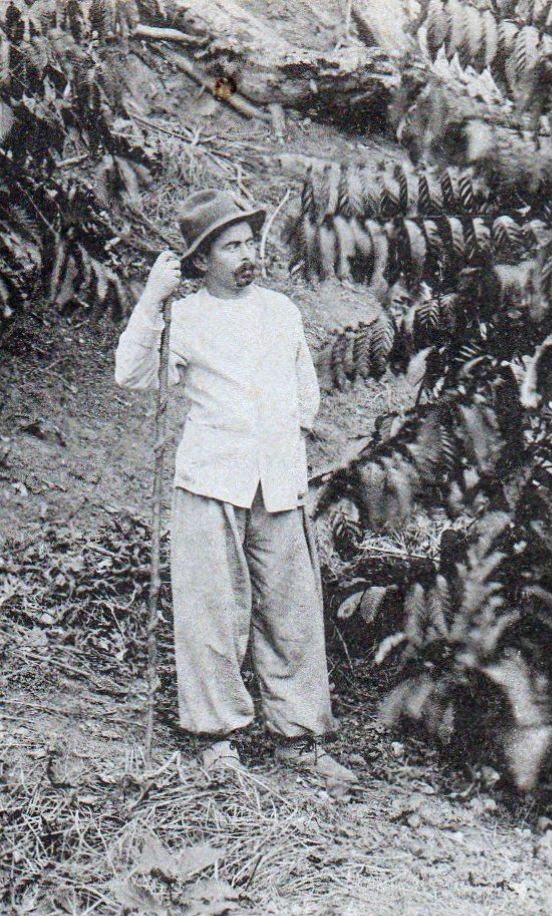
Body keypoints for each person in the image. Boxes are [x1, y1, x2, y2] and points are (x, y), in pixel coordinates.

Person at [114, 188, 357, 786]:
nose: (249, 254)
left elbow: (306, 391)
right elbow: (133, 375)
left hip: (277, 481)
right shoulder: (183, 316)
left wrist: (285, 439)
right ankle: (215, 736)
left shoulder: (281, 312)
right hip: (211, 480)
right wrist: (151, 299)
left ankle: (299, 737)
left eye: (251, 242)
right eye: (232, 246)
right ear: (200, 261)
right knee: (213, 611)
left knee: (291, 612)